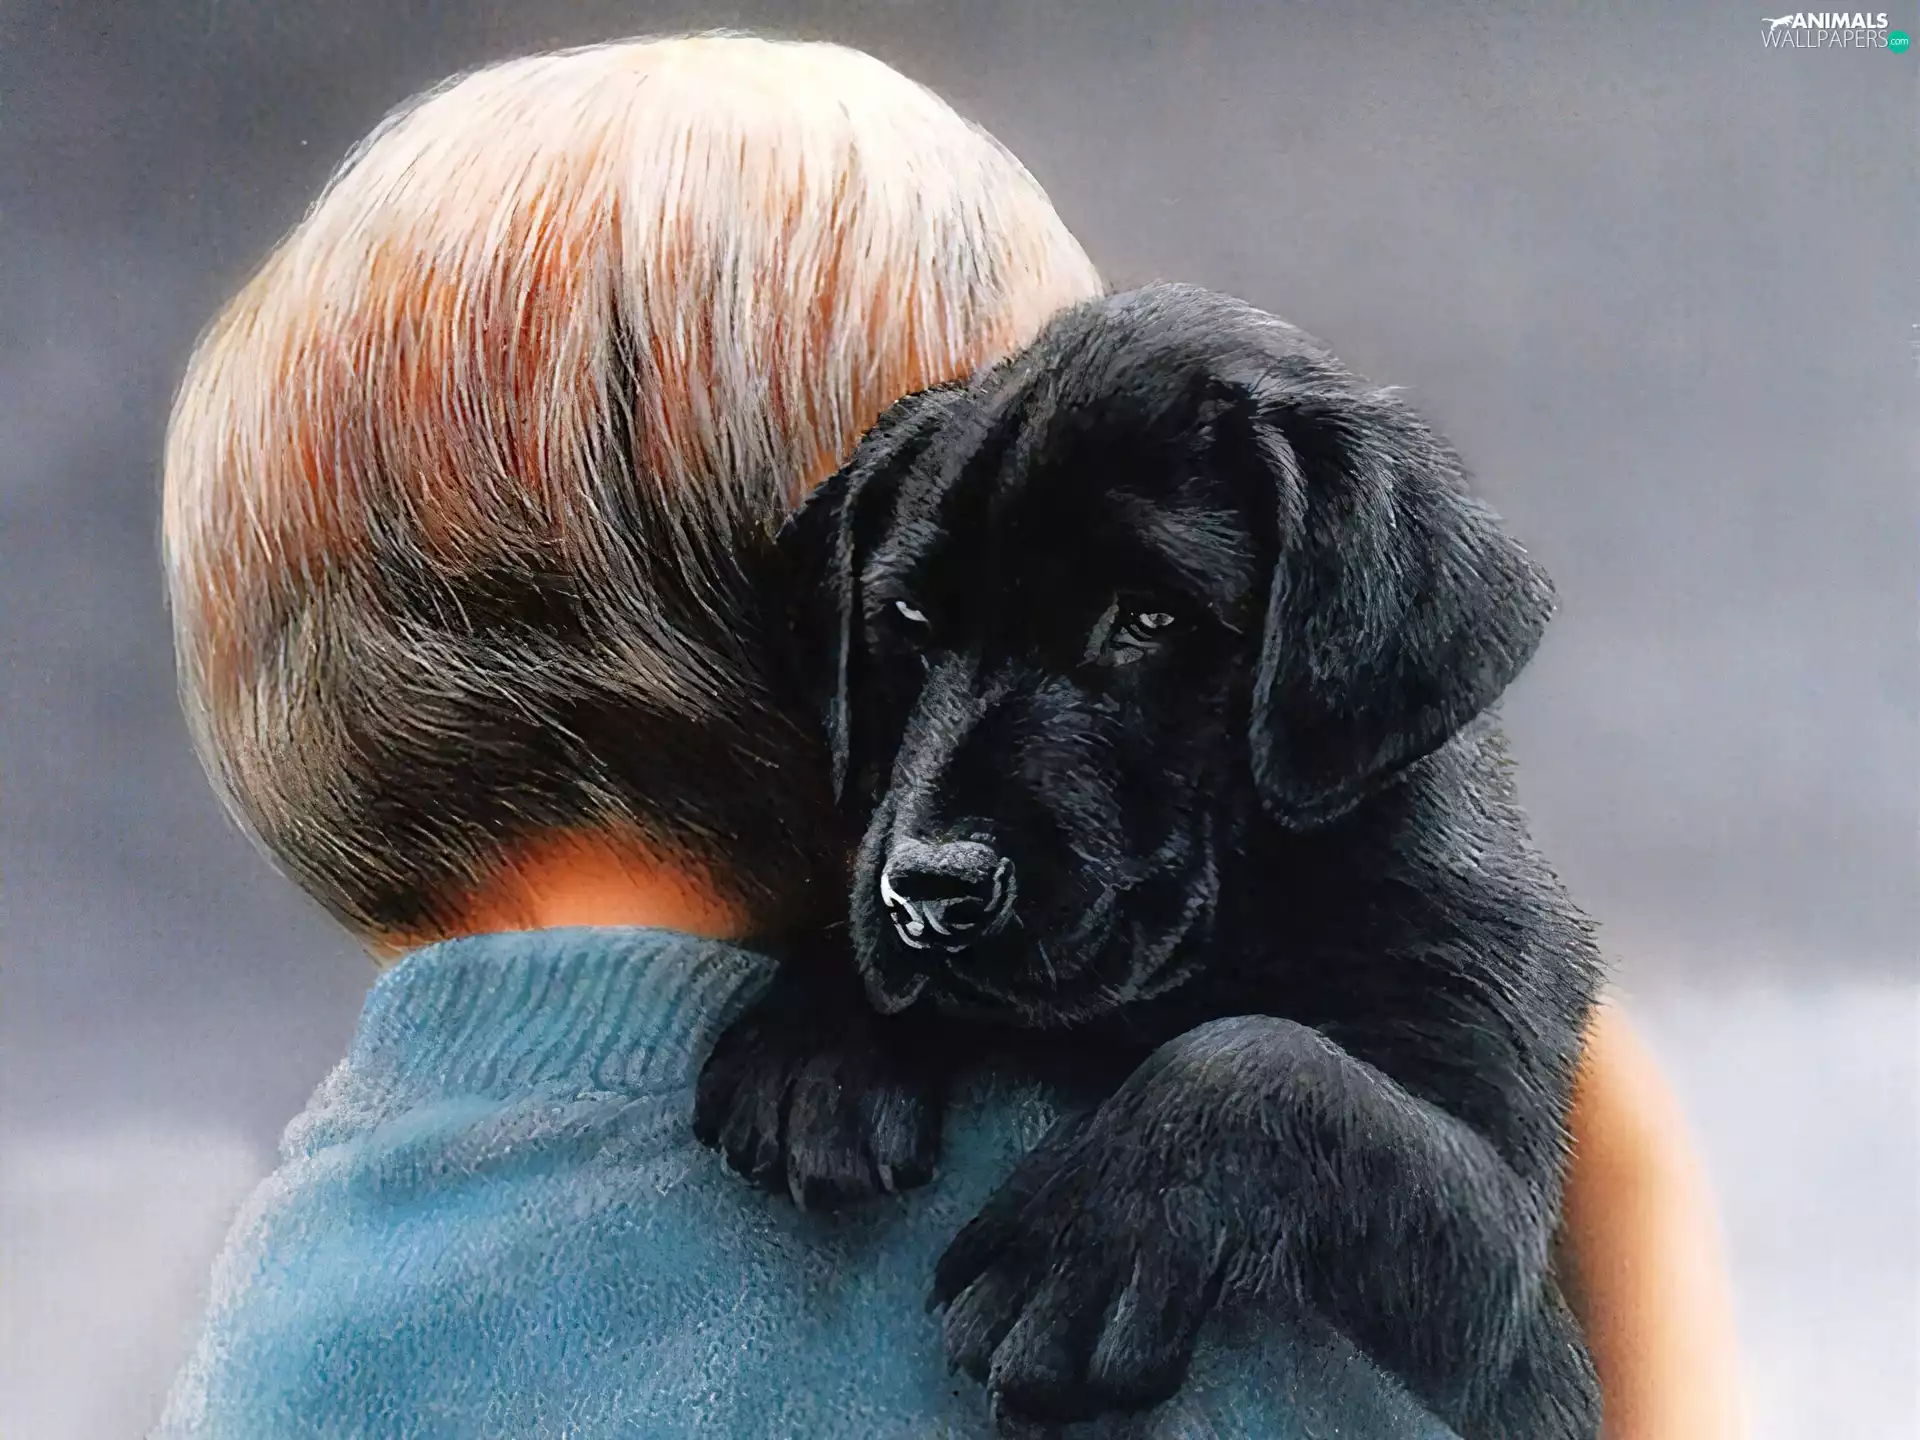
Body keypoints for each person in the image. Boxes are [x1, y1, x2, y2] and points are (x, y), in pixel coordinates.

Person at [155, 34, 1742, 1439]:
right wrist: (1644, 1183)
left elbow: (1479, 1299)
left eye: (1135, 629)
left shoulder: (313, 1270)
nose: (938, 813)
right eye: (912, 638)